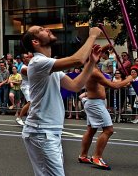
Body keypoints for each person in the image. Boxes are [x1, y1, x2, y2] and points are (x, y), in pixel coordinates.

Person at [21, 25, 102, 176]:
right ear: (35, 42)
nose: (47, 29)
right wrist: (92, 36)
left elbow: (75, 86)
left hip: (48, 131)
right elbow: (77, 60)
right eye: (41, 30)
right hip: (41, 132)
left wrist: (91, 63)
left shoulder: (48, 64)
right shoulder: (38, 62)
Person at [78, 62, 134, 170]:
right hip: (95, 104)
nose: (99, 53)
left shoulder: (91, 68)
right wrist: (129, 79)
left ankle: (83, 156)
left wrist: (109, 45)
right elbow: (114, 86)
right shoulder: (94, 71)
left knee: (91, 130)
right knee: (108, 130)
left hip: (93, 102)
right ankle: (96, 157)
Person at [17, 53, 32, 126]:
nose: (29, 58)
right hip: (25, 87)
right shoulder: (23, 68)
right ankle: (19, 117)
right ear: (23, 59)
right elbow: (33, 74)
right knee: (30, 102)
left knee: (33, 103)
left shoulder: (29, 66)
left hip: (31, 86)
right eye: (26, 57)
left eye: (29, 57)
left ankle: (30, 118)